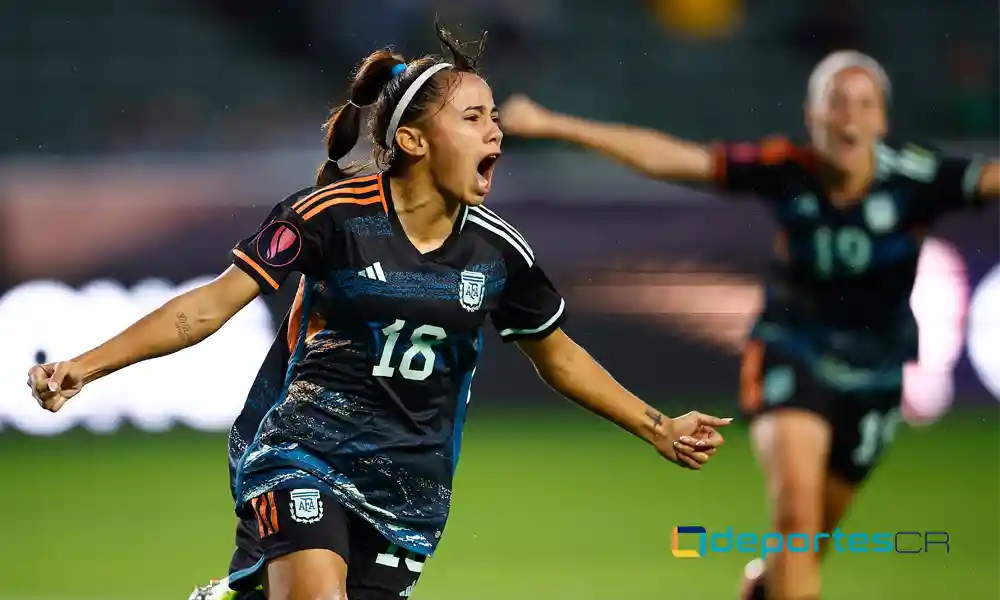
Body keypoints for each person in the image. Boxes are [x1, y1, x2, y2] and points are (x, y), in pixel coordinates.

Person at [27, 24, 731, 600]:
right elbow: (208, 307)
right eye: (474, 118)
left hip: (410, 490)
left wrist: (658, 426)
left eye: (494, 118)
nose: (496, 133)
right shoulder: (330, 217)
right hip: (300, 454)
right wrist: (85, 367)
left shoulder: (499, 253)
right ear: (417, 142)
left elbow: (559, 355)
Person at [499, 50, 998, 600]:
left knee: (807, 545)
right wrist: (557, 125)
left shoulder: (918, 178)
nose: (849, 118)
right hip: (793, 354)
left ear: (882, 119)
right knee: (796, 523)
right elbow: (676, 159)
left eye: (864, 105)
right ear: (813, 117)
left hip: (876, 378)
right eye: (836, 103)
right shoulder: (788, 169)